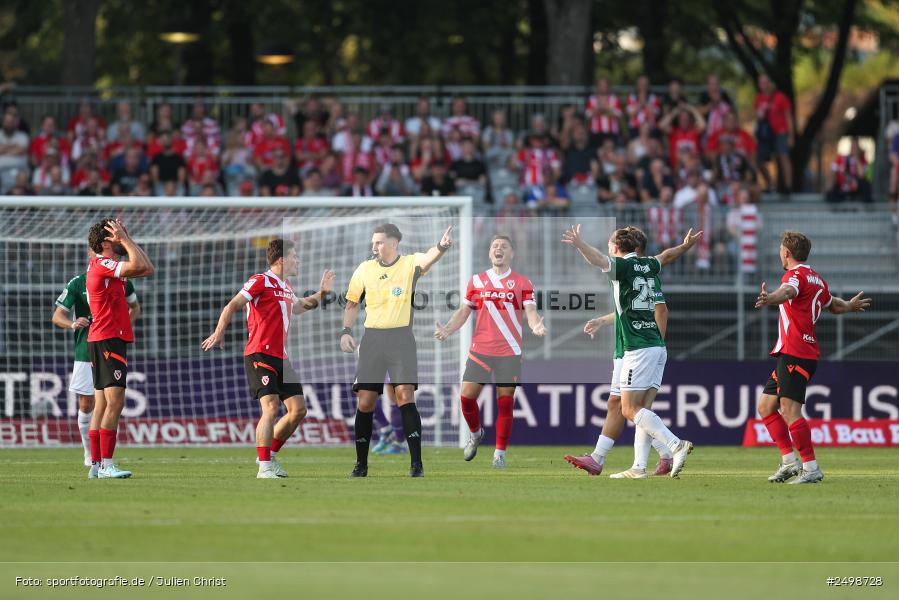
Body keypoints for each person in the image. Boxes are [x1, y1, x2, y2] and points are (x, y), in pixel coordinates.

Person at [560, 224, 702, 478]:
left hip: (638, 346)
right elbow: (667, 255)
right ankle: (633, 465)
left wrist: (580, 244)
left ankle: (673, 446)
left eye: (609, 243)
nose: (607, 246)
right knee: (633, 407)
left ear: (616, 247)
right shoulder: (648, 264)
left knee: (629, 409)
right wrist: (685, 246)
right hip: (648, 344)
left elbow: (597, 259)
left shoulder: (622, 267)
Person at [202, 240, 334, 478]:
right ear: (282, 259)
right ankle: (264, 467)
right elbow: (232, 305)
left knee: (298, 410)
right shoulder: (260, 280)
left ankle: (269, 455)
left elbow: (301, 306)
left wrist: (322, 293)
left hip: (281, 356)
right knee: (271, 407)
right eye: (294, 256)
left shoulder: (286, 286)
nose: (298, 260)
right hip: (259, 353)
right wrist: (219, 332)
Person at [753, 231, 870, 484]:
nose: (780, 253)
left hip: (796, 352)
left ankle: (811, 467)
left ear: (786, 253)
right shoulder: (817, 280)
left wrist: (770, 298)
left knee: (789, 410)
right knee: (766, 406)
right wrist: (850, 305)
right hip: (799, 352)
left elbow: (787, 291)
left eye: (781, 249)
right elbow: (833, 304)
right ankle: (789, 462)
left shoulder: (794, 276)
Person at [340, 223, 454, 478]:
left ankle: (416, 464)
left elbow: (429, 257)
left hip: (401, 340)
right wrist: (346, 331)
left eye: (379, 242)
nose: (374, 246)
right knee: (366, 401)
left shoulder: (409, 264)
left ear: (394, 243)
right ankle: (361, 464)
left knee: (404, 395)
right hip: (372, 340)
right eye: (373, 242)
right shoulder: (364, 269)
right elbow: (352, 302)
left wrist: (442, 246)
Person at [434, 234, 546, 468]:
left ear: (511, 253)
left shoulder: (522, 282)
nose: (499, 249)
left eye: (504, 246)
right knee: (466, 398)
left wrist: (536, 325)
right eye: (495, 245)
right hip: (481, 349)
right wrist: (447, 330)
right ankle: (476, 434)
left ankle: (499, 454)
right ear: (489, 252)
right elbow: (464, 312)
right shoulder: (476, 281)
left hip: (509, 350)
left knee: (505, 403)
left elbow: (531, 311)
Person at [85, 219, 155, 479]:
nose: (122, 235)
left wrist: (127, 239)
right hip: (107, 338)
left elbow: (147, 268)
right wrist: (124, 240)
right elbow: (138, 265)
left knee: (103, 404)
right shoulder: (102, 264)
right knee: (115, 402)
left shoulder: (108, 266)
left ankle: (96, 465)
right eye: (115, 233)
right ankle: (106, 464)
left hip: (105, 338)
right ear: (106, 242)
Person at [52, 266, 139, 468]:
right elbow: (57, 316)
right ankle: (90, 453)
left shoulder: (123, 280)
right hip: (85, 349)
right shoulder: (78, 283)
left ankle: (100, 460)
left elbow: (135, 307)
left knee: (109, 402)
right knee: (87, 404)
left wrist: (122, 328)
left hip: (110, 345)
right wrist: (72, 323)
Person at [754, 75, 794, 191]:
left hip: (780, 132)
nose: (764, 85)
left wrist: (791, 135)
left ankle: (788, 186)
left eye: (765, 82)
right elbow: (757, 117)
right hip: (766, 135)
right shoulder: (759, 99)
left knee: (783, 157)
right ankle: (769, 183)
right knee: (759, 159)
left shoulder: (780, 97)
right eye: (761, 83)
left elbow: (788, 116)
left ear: (770, 83)